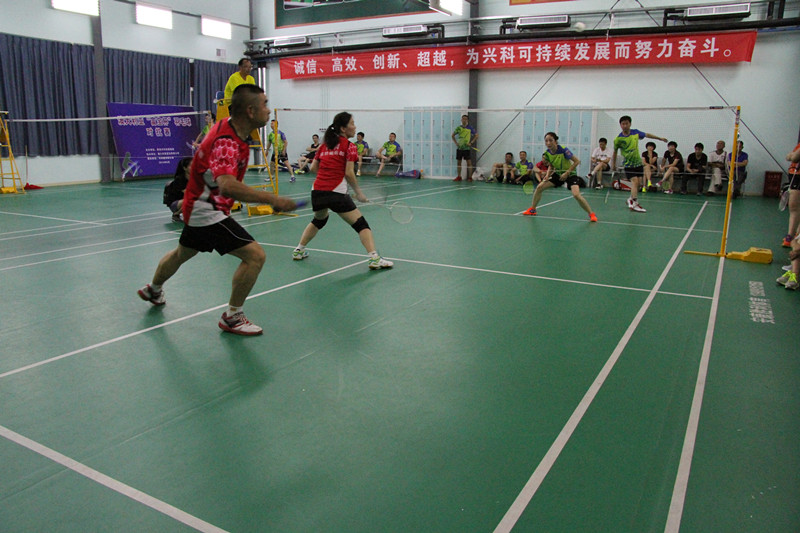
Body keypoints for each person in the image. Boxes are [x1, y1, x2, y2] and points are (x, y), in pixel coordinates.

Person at [137, 84, 299, 336]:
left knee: (182, 252)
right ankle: (232, 317)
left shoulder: (229, 128)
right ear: (250, 110)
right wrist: (272, 199)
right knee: (255, 256)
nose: (269, 110)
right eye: (265, 104)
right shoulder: (227, 142)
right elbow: (227, 185)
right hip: (207, 211)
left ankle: (153, 290)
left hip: (197, 206)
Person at [292, 112, 393, 270]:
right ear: (343, 129)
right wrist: (359, 192)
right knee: (361, 224)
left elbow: (313, 168)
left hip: (317, 191)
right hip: (336, 191)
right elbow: (349, 173)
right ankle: (374, 258)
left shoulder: (324, 146)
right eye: (352, 123)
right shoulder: (349, 146)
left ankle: (299, 250)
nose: (355, 127)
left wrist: (327, 177)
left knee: (319, 220)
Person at [523, 132, 597, 222]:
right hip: (558, 174)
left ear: (555, 141)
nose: (548, 143)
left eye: (551, 140)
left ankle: (591, 214)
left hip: (570, 174)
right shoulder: (547, 153)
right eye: (546, 141)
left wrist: (567, 173)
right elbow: (551, 166)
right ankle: (532, 209)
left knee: (576, 195)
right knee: (539, 187)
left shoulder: (563, 150)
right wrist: (547, 175)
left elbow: (577, 161)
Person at [611, 115, 668, 213]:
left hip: (638, 163)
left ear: (630, 124)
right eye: (623, 124)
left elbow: (647, 135)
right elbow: (615, 152)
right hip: (628, 164)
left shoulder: (635, 133)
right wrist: (613, 164)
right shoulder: (618, 139)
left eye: (626, 123)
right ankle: (635, 203)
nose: (625, 126)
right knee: (635, 182)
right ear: (620, 125)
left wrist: (659, 138)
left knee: (639, 183)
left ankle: (631, 199)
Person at [780, 142, 800, 247]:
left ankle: (790, 237)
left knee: (794, 207)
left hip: (798, 177)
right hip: (795, 176)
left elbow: (794, 157)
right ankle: (796, 235)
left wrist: (791, 156)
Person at [163, 157, 191, 223]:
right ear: (184, 168)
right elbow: (189, 194)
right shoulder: (179, 179)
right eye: (191, 166)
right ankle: (176, 214)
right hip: (176, 204)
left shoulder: (194, 178)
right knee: (193, 199)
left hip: (185, 201)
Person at [452, 114, 478, 182]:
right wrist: (456, 143)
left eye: (466, 119)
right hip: (460, 148)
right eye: (463, 119)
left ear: (467, 120)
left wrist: (471, 143)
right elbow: (453, 135)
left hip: (467, 149)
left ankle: (470, 177)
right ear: (461, 120)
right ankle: (459, 176)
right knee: (459, 163)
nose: (464, 120)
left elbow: (476, 135)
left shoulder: (470, 128)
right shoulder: (459, 128)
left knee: (469, 163)